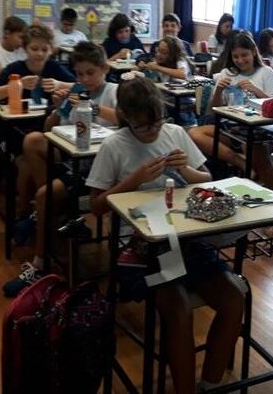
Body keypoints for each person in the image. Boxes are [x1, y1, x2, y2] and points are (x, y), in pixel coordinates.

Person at [87, 76, 244, 394]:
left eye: (158, 121)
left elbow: (207, 179)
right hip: (138, 247)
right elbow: (97, 206)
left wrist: (186, 170)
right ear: (126, 118)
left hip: (184, 238)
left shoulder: (174, 133)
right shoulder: (114, 145)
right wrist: (134, 180)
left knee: (233, 298)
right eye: (144, 126)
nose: (153, 131)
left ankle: (211, 382)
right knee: (178, 309)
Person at [3, 42, 118, 297]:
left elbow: (125, 117)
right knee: (33, 140)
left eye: (90, 73)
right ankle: (53, 213)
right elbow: (49, 128)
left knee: (43, 194)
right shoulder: (76, 90)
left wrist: (92, 107)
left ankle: (40, 262)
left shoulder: (114, 91)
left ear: (104, 69)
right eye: (79, 74)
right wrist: (59, 106)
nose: (84, 79)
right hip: (72, 160)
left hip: (98, 168)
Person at [188, 32, 273, 193]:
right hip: (231, 129)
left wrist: (256, 90)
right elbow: (214, 110)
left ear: (254, 52)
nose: (240, 60)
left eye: (244, 55)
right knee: (194, 133)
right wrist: (218, 90)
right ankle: (241, 163)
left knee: (252, 147)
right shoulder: (227, 73)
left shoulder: (266, 72)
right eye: (236, 56)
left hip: (259, 131)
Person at [0, 24, 74, 103]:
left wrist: (60, 85)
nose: (39, 54)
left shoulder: (54, 66)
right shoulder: (14, 68)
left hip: (48, 114)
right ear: (25, 48)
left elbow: (79, 87)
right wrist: (18, 85)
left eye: (45, 50)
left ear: (51, 50)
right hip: (19, 115)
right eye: (34, 49)